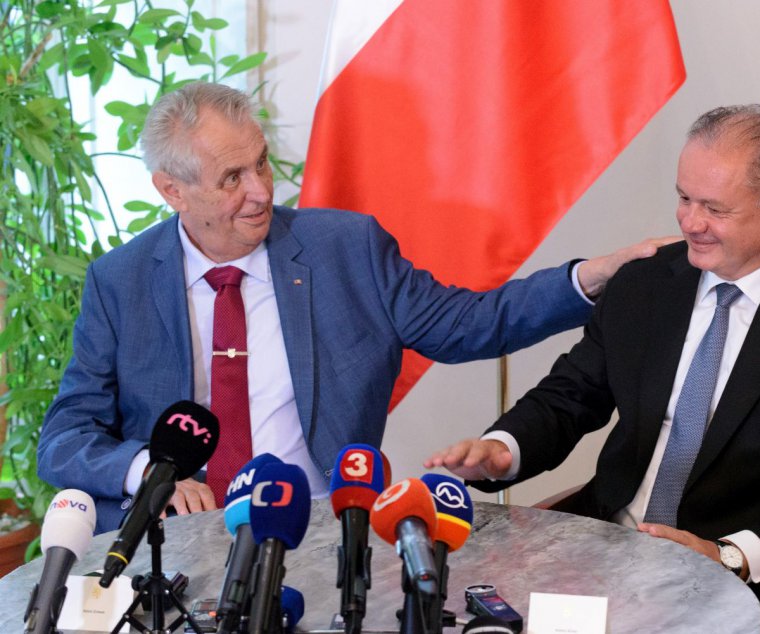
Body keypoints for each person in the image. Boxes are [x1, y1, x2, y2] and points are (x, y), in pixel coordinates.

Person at [36, 82, 673, 534]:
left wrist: (591, 276)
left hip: (317, 532)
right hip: (175, 541)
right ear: (172, 191)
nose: (260, 192)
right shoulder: (119, 282)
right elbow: (65, 438)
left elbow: (471, 324)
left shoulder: (346, 248)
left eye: (261, 164)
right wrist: (150, 472)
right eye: (232, 178)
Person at [426, 105, 760, 633]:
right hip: (604, 546)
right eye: (684, 198)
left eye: (714, 208)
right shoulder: (646, 281)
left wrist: (729, 555)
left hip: (739, 573)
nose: (690, 223)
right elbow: (572, 394)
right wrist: (503, 449)